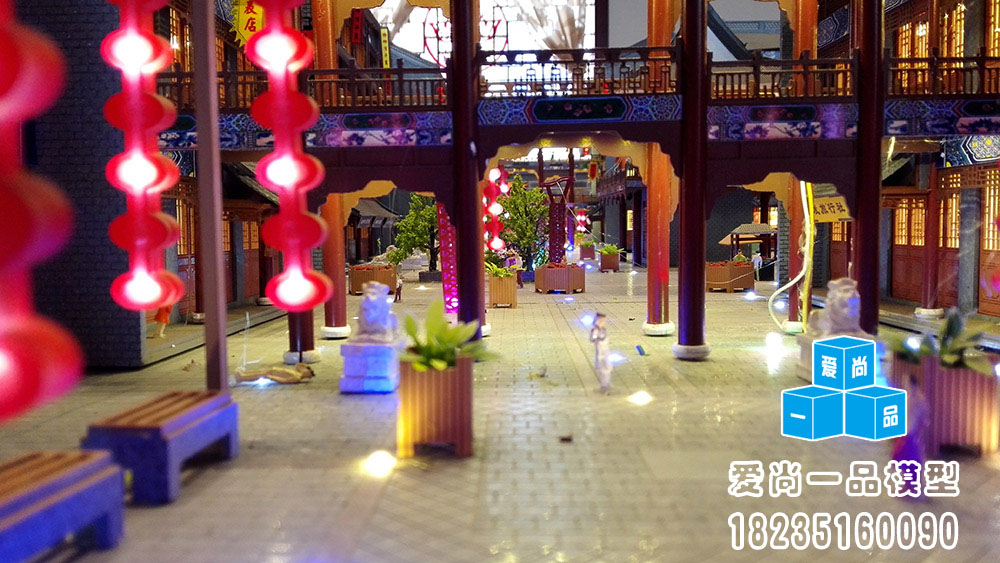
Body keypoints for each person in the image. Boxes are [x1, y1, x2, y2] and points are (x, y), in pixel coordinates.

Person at [589, 313, 612, 393]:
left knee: (607, 368)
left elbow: (603, 337)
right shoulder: (595, 330)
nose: (603, 323)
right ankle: (603, 385)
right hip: (599, 353)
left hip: (605, 352)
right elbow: (592, 339)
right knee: (601, 368)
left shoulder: (603, 330)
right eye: (601, 321)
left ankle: (606, 384)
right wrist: (596, 334)